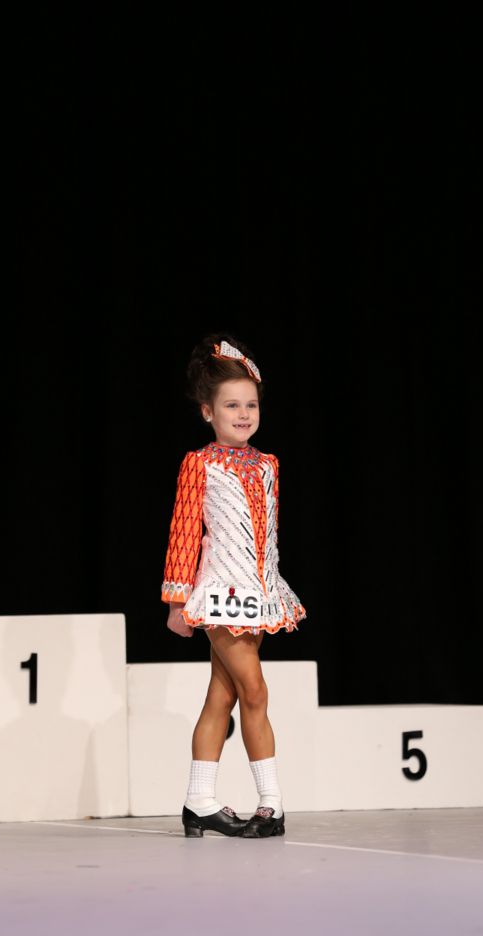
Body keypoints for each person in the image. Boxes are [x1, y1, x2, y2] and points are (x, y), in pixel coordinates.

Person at [161, 333, 307, 839]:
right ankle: (273, 804)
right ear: (208, 412)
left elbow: (268, 536)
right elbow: (184, 531)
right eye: (231, 405)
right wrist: (177, 601)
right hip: (222, 593)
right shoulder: (199, 464)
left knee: (220, 697)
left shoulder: (268, 465)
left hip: (258, 592)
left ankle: (198, 800)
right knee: (255, 691)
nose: (243, 414)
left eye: (250, 405)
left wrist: (270, 587)